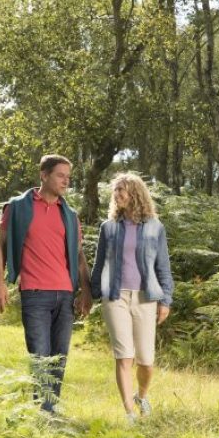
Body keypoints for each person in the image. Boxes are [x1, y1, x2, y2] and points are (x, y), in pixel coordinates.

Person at [0, 155, 93, 413]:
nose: (66, 181)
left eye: (69, 177)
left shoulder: (70, 215)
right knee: (40, 355)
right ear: (44, 175)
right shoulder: (18, 208)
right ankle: (44, 414)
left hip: (65, 295)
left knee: (59, 358)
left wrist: (85, 291)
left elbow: (79, 255)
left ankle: (49, 409)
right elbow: (1, 247)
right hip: (35, 294)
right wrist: (0, 284)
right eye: (61, 175)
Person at [89, 172, 173, 422]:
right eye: (115, 191)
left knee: (146, 360)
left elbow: (163, 267)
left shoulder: (155, 227)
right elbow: (99, 263)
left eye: (121, 190)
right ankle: (128, 413)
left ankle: (141, 396)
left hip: (146, 298)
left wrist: (165, 300)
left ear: (135, 194)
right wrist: (92, 293)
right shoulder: (109, 227)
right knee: (124, 355)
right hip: (115, 297)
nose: (117, 195)